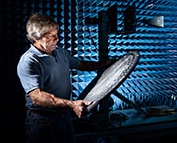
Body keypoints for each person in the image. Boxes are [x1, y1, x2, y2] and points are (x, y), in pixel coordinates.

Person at [17, 13, 115, 143]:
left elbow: (81, 64)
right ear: (36, 38)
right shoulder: (29, 61)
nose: (57, 39)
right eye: (51, 36)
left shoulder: (60, 52)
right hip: (43, 121)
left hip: (63, 116)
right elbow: (37, 97)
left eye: (57, 34)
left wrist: (104, 64)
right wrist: (72, 104)